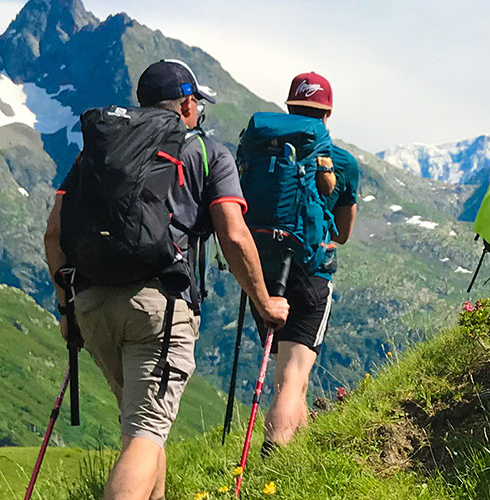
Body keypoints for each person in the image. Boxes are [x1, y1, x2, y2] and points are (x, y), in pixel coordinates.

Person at [44, 59, 290, 500]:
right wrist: (265, 301)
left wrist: (67, 310)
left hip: (92, 303)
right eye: (197, 102)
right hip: (160, 306)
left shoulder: (98, 150)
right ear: (188, 103)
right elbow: (233, 234)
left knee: (140, 430)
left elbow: (54, 234)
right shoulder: (206, 151)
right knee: (146, 431)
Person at [238, 72, 354, 452]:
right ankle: (274, 458)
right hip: (309, 270)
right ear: (328, 113)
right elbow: (341, 233)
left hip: (261, 269)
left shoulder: (260, 146)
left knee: (286, 375)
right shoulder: (341, 161)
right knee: (292, 377)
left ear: (289, 106)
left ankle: (295, 461)